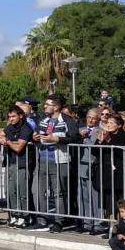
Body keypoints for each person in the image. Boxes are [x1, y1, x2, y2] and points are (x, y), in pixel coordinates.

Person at [32, 94, 80, 232]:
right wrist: (34, 137)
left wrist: (57, 139)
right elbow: (37, 133)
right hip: (41, 160)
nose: (45, 106)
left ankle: (59, 221)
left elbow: (75, 137)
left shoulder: (67, 120)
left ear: (57, 106)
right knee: (37, 191)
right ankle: (41, 219)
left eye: (48, 104)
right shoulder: (44, 119)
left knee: (59, 192)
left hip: (59, 161)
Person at [0, 105, 34, 228]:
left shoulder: (26, 129)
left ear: (20, 116)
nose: (11, 119)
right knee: (10, 191)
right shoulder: (10, 127)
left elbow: (18, 148)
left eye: (13, 116)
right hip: (10, 163)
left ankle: (25, 216)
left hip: (22, 164)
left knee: (22, 191)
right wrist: (0, 139)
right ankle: (15, 214)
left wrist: (8, 142)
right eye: (9, 116)